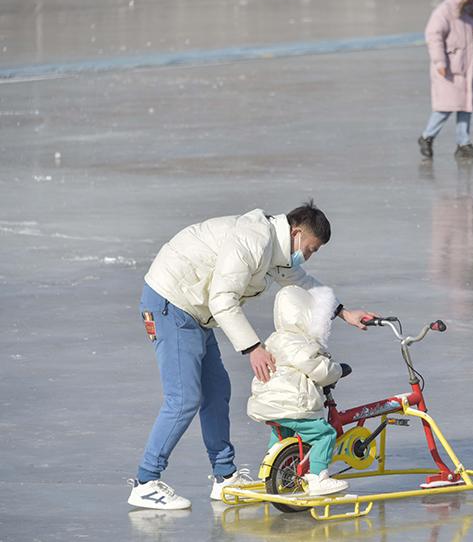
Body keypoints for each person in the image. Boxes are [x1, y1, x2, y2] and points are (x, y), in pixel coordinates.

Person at [128, 202, 374, 510]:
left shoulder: (277, 250)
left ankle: (225, 476)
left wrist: (344, 312)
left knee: (217, 392)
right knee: (183, 398)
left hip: (194, 311)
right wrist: (253, 348)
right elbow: (222, 299)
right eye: (310, 249)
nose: (308, 256)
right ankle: (146, 481)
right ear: (296, 233)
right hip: (171, 303)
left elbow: (302, 281)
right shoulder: (253, 240)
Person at [247, 285, 349, 496]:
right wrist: (337, 370)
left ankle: (274, 473)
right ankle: (318, 477)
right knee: (324, 435)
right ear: (307, 316)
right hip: (294, 404)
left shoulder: (274, 339)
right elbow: (317, 368)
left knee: (282, 434)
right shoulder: (300, 342)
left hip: (270, 405)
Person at [418, 0, 473, 161]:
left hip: (466, 69)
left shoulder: (467, 13)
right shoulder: (442, 13)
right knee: (445, 107)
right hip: (447, 70)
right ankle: (427, 136)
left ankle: (463, 143)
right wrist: (440, 61)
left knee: (465, 106)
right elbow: (433, 37)